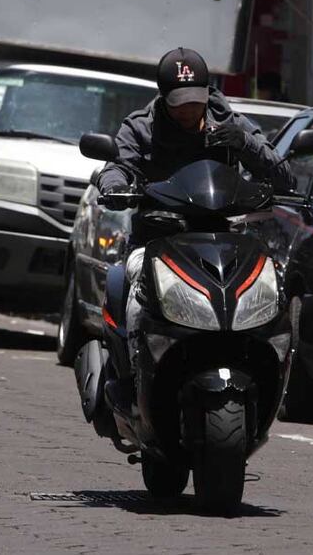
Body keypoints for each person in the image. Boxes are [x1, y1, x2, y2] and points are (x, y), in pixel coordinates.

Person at [97, 47, 293, 402]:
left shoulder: (229, 121)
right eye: (179, 102)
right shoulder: (141, 126)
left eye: (195, 100)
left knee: (272, 287)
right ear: (163, 96)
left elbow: (283, 176)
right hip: (159, 239)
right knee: (127, 287)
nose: (189, 110)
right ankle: (130, 382)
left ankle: (266, 378)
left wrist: (245, 144)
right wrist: (113, 184)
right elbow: (118, 164)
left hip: (223, 240)